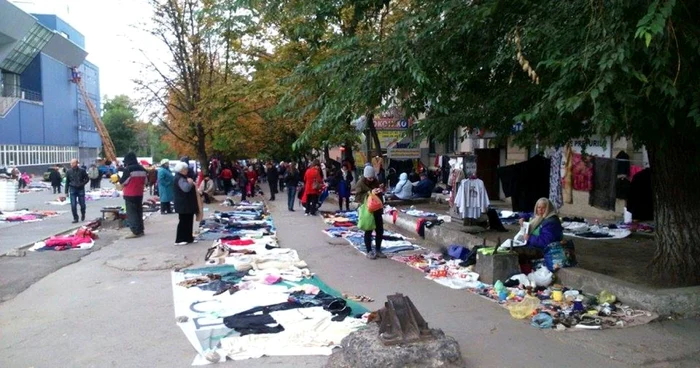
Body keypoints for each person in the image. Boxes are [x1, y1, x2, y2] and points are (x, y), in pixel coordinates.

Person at [515, 197, 564, 264]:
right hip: (534, 245)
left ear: (548, 209)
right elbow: (530, 214)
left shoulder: (551, 222)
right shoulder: (538, 217)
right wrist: (523, 217)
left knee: (515, 253)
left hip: (544, 250)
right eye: (538, 207)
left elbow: (546, 242)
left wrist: (530, 238)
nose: (540, 210)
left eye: (543, 208)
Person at [353, 165, 386, 259]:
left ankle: (378, 250)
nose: (371, 179)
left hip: (377, 209)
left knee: (380, 230)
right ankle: (369, 251)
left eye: (372, 177)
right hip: (367, 210)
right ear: (365, 176)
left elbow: (378, 195)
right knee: (368, 230)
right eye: (369, 178)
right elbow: (358, 197)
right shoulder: (360, 183)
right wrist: (370, 193)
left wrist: (380, 189)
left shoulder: (375, 181)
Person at [119, 152, 147, 238]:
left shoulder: (128, 169)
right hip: (139, 193)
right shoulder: (143, 169)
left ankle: (135, 231)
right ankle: (141, 229)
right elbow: (146, 182)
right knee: (139, 212)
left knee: (132, 213)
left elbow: (123, 182)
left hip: (130, 194)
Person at [173, 162, 199, 245]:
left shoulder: (182, 177)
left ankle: (188, 238)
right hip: (183, 203)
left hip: (186, 203)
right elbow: (186, 189)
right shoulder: (180, 178)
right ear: (182, 170)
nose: (187, 170)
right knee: (183, 221)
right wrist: (191, 183)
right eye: (186, 169)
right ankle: (180, 239)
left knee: (188, 221)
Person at [65, 159, 89, 223]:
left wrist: (82, 184)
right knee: (73, 205)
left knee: (82, 204)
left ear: (76, 163)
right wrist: (66, 192)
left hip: (80, 189)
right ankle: (75, 218)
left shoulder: (82, 171)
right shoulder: (68, 171)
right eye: (71, 163)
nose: (71, 164)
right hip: (72, 189)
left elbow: (87, 179)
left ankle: (83, 214)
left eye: (73, 163)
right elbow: (67, 182)